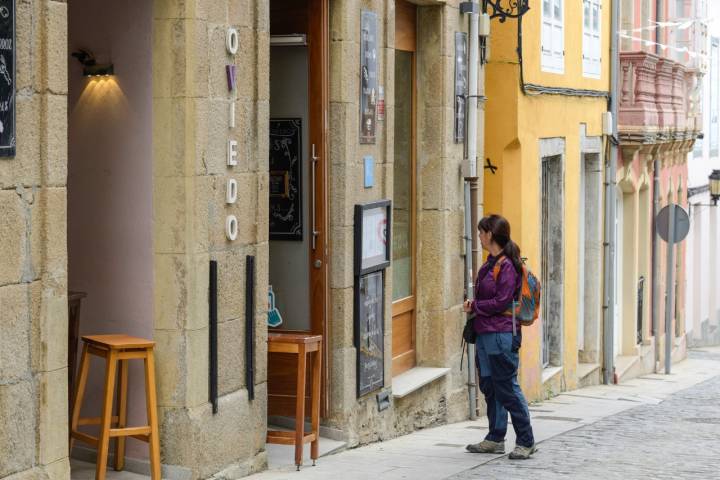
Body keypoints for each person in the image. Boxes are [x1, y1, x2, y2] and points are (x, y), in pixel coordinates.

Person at [463, 214, 536, 460]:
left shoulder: (506, 266)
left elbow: (502, 301)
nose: (480, 237)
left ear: (490, 235)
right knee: (489, 387)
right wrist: (476, 306)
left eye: (482, 232)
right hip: (485, 333)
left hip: (501, 334)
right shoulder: (490, 263)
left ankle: (526, 441)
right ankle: (495, 438)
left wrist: (475, 306)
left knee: (507, 388)